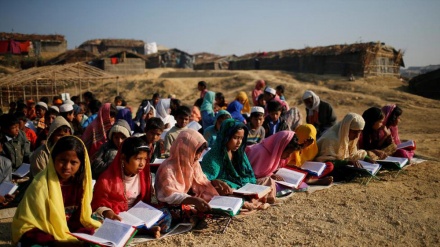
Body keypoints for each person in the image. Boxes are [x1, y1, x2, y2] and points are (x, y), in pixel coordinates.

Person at [12, 136, 101, 246]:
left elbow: (79, 219)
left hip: (69, 231)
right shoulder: (40, 184)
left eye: (73, 162)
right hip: (44, 234)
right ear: (53, 159)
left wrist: (77, 236)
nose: (67, 167)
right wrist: (58, 242)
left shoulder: (80, 185)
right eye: (62, 160)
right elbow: (28, 225)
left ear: (81, 164)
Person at [92, 137, 171, 238]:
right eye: (138, 159)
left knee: (165, 215)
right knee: (96, 219)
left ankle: (134, 230)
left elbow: (146, 200)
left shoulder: (143, 176)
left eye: (145, 159)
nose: (142, 164)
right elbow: (97, 203)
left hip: (136, 215)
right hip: (116, 215)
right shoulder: (107, 179)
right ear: (123, 158)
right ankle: (143, 230)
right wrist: (108, 213)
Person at [201, 119, 275, 207]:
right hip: (229, 189)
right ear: (226, 137)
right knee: (227, 193)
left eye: (241, 138)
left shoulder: (240, 153)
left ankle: (252, 199)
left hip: (244, 185)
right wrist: (216, 182)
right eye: (235, 138)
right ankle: (253, 201)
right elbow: (205, 179)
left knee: (269, 181)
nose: (239, 142)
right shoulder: (213, 156)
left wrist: (251, 186)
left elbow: (249, 174)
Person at [155, 129, 219, 214]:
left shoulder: (193, 164)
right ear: (185, 149)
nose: (198, 157)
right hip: (169, 207)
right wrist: (192, 200)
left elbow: (201, 182)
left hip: (187, 201)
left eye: (200, 153)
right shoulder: (167, 169)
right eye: (196, 152)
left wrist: (213, 184)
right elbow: (169, 195)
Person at [315, 113, 375, 181]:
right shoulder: (331, 139)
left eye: (359, 132)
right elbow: (326, 161)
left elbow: (352, 154)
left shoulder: (348, 137)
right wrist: (347, 162)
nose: (357, 136)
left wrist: (366, 158)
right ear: (346, 128)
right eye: (354, 132)